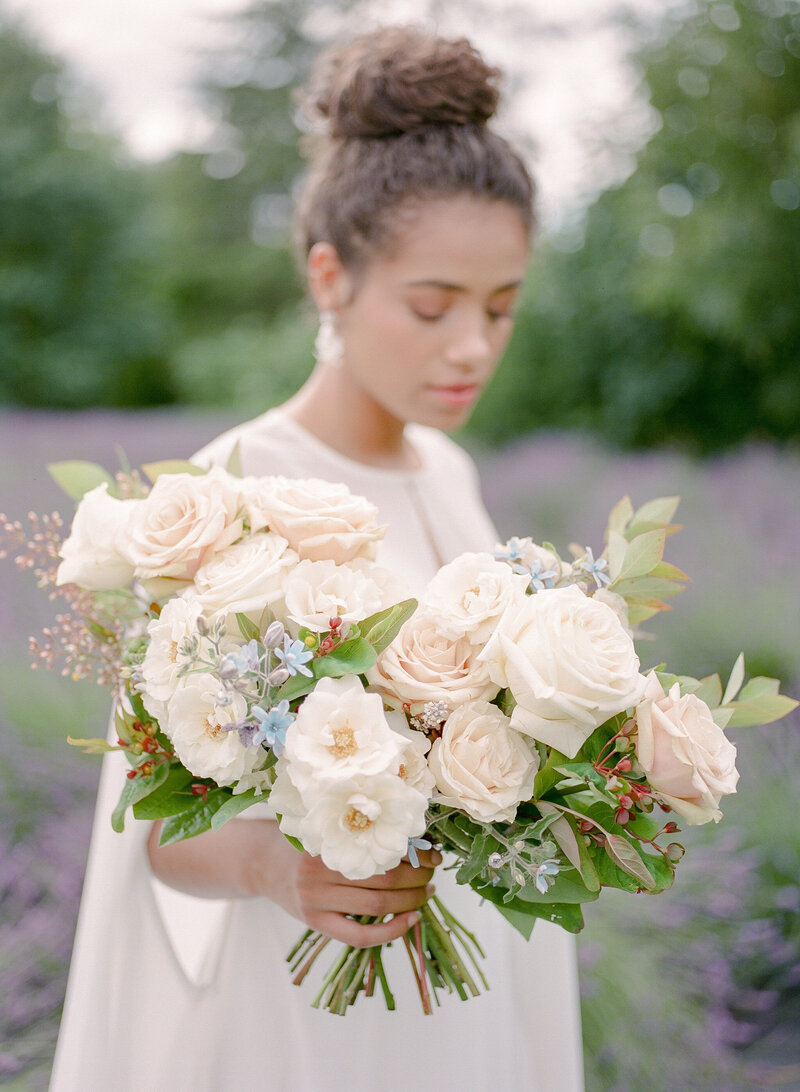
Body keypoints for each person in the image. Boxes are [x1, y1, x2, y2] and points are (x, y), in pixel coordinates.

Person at [50, 26, 584, 1091]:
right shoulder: (222, 496)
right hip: (301, 1008)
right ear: (330, 276)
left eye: (501, 308)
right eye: (431, 306)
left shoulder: (448, 472)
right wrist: (272, 865)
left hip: (469, 987)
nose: (472, 345)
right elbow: (153, 832)